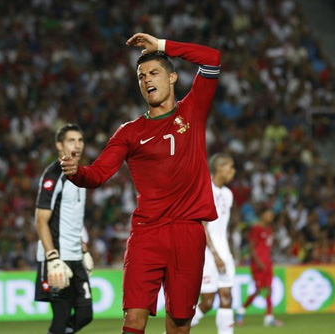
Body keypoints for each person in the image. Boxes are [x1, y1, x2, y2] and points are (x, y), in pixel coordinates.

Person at [60, 33, 221, 334]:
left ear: (172, 77)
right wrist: (76, 172)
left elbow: (212, 58)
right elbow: (97, 174)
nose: (147, 79)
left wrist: (161, 45)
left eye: (154, 72)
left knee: (180, 324)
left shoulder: (193, 109)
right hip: (147, 234)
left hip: (188, 232)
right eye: (141, 76)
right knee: (133, 320)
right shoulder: (129, 132)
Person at [34, 124, 94, 334]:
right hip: (57, 257)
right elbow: (41, 220)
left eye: (80, 140)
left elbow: (73, 220)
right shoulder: (53, 175)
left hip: (75, 254)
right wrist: (52, 258)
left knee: (86, 314)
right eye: (71, 140)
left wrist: (84, 249)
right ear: (59, 145)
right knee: (61, 318)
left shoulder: (81, 175)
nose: (77, 145)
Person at [191, 153, 236, 334]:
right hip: (208, 253)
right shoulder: (204, 189)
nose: (233, 171)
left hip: (223, 251)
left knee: (227, 297)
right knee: (208, 301)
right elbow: (203, 225)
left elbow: (222, 227)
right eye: (230, 167)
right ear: (219, 168)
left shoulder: (228, 194)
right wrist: (216, 255)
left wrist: (226, 252)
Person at [235, 209, 283, 327]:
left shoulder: (270, 229)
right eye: (268, 214)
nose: (271, 217)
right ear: (263, 215)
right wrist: (258, 262)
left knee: (269, 289)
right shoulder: (256, 228)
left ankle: (269, 318)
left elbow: (269, 245)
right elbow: (251, 248)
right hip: (258, 264)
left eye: (272, 215)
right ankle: (241, 310)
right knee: (259, 290)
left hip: (267, 262)